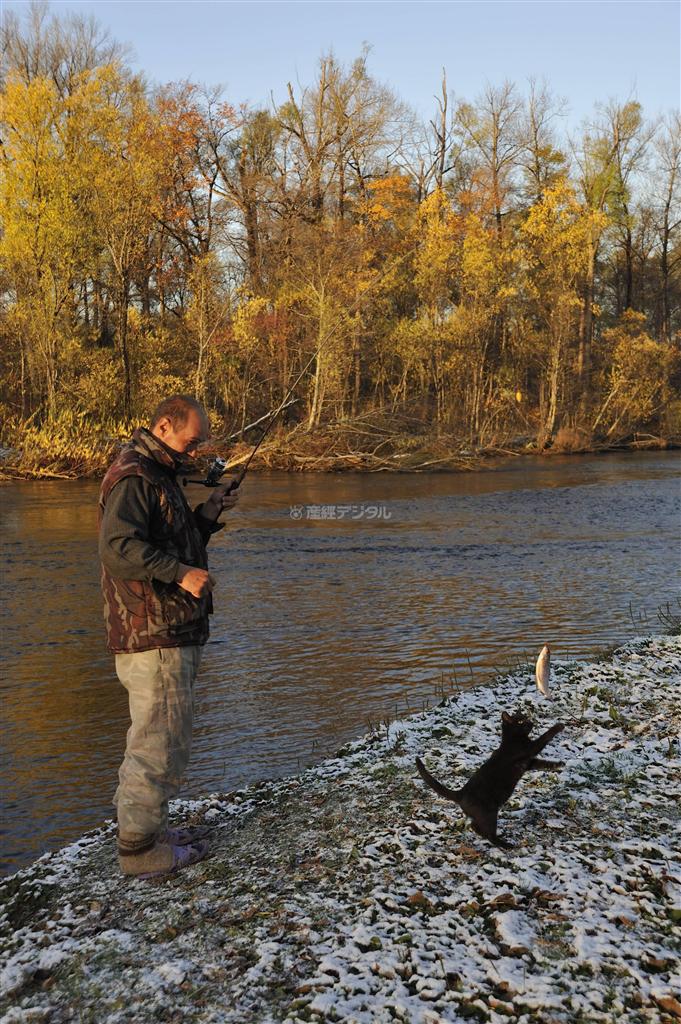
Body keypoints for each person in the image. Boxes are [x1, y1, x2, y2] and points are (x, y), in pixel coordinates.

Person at [98, 395, 238, 878]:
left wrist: (208, 515)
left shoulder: (160, 474)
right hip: (154, 633)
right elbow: (118, 548)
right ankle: (139, 853)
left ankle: (149, 831)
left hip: (167, 629)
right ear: (163, 425)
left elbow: (168, 539)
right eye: (192, 440)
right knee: (156, 742)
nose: (198, 451)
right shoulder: (136, 475)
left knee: (163, 737)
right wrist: (181, 573)